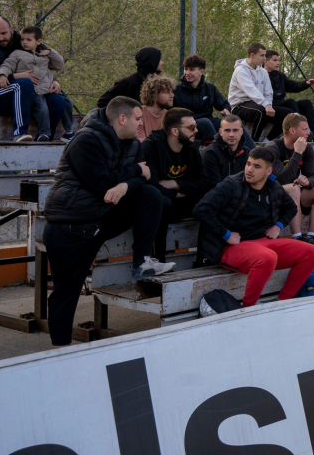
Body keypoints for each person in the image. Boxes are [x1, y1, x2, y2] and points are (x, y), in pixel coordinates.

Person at [42, 97, 169, 347]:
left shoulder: (131, 143)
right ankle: (60, 351)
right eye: (137, 118)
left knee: (153, 197)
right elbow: (101, 183)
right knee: (65, 294)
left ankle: (141, 262)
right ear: (122, 119)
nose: (141, 123)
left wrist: (125, 184)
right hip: (71, 227)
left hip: (102, 219)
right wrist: (132, 174)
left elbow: (147, 179)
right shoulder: (85, 141)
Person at [191, 147, 314, 307]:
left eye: (257, 166)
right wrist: (226, 234)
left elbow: (291, 208)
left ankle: (282, 303)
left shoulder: (273, 186)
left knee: (311, 251)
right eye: (248, 164)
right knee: (267, 257)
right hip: (230, 247)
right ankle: (248, 309)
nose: (249, 170)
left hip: (262, 242)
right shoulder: (231, 184)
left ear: (268, 171)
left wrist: (278, 226)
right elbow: (201, 209)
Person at [142, 108, 211, 261]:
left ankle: (204, 260)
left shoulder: (191, 146)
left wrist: (175, 183)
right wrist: (182, 191)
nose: (197, 131)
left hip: (181, 200)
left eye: (196, 126)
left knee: (210, 199)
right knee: (161, 202)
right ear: (174, 131)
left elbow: (203, 182)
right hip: (159, 204)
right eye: (191, 127)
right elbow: (152, 186)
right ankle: (157, 260)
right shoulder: (151, 147)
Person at [267, 112, 314, 249]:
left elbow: (313, 175)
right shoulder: (273, 148)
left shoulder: (307, 148)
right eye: (305, 129)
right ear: (292, 130)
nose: (309, 132)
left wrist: (308, 182)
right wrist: (297, 153)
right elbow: (281, 180)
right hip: (273, 194)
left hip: (294, 192)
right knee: (293, 188)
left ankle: (311, 237)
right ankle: (297, 238)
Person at [0, 25, 68, 141]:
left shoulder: (43, 57)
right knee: (42, 108)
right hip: (30, 91)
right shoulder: (17, 54)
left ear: (38, 41)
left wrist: (50, 52)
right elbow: (7, 65)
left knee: (62, 102)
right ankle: (43, 133)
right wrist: (2, 75)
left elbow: (59, 65)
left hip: (44, 90)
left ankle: (52, 135)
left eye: (28, 40)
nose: (24, 42)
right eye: (22, 39)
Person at [0, 17, 34, 141]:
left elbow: (44, 62)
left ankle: (53, 136)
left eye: (3, 33)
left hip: (20, 93)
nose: (1, 38)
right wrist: (13, 77)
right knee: (22, 84)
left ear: (11, 29)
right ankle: (20, 133)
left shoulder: (25, 41)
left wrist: (54, 81)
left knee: (56, 100)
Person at [264, 50, 314, 142]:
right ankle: (301, 132)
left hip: (282, 104)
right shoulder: (260, 75)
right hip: (270, 105)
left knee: (306, 103)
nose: (278, 63)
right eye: (275, 60)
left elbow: (293, 86)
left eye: (278, 60)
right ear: (266, 61)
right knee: (290, 102)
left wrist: (306, 83)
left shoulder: (280, 75)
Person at [172, 54, 232, 143]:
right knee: (205, 123)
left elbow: (223, 104)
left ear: (201, 71)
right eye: (186, 69)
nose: (187, 73)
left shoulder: (210, 88)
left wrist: (226, 109)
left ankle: (250, 151)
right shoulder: (176, 90)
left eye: (191, 70)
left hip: (208, 120)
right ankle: (214, 150)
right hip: (187, 124)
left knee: (231, 123)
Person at [229, 42, 281, 141]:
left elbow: (268, 92)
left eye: (265, 55)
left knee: (286, 113)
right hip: (240, 105)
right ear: (252, 55)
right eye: (262, 55)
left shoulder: (263, 71)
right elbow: (251, 90)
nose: (264, 58)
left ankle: (268, 140)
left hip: (258, 104)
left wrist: (268, 105)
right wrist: (265, 105)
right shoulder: (240, 70)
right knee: (261, 112)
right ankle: (254, 143)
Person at [97, 46, 162, 109]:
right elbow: (103, 102)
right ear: (152, 62)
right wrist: (121, 116)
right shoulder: (129, 83)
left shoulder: (161, 84)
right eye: (159, 60)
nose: (162, 63)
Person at [201, 113, 250, 184]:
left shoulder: (247, 152)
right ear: (220, 132)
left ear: (241, 132)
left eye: (235, 130)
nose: (231, 135)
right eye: (227, 130)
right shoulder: (210, 153)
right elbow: (215, 186)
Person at [137, 75, 175, 141]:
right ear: (154, 95)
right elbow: (141, 144)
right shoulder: (139, 115)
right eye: (166, 92)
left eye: (171, 92)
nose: (172, 95)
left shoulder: (168, 116)